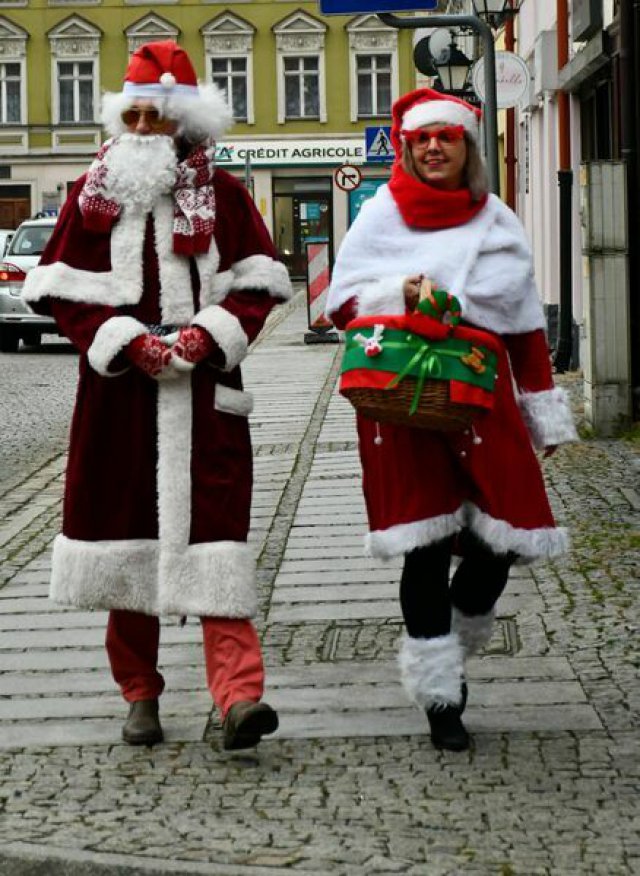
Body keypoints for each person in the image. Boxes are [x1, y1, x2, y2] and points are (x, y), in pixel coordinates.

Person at [23, 41, 292, 750]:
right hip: (120, 401)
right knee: (127, 546)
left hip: (204, 401)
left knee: (216, 544)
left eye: (157, 120)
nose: (143, 131)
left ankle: (239, 697)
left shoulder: (226, 197)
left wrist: (209, 335)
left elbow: (260, 286)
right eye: (134, 118)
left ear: (184, 126)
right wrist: (122, 340)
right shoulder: (91, 198)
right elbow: (59, 293)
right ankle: (139, 691)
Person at [326, 88, 577, 752]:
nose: (434, 147)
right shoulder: (380, 215)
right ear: (407, 149)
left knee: (500, 544)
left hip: (486, 406)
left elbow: (523, 325)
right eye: (422, 139)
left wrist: (542, 410)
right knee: (426, 545)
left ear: (468, 147)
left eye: (448, 136)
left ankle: (460, 636)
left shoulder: (498, 221)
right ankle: (442, 696)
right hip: (405, 404)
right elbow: (340, 301)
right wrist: (399, 292)